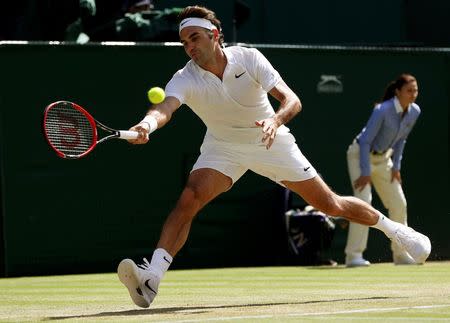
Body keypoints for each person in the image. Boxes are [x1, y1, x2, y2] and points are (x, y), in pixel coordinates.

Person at [117, 6, 431, 308]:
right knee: (191, 196)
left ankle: (396, 231)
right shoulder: (184, 77)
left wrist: (275, 120)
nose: (189, 47)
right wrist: (147, 124)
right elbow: (165, 107)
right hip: (223, 146)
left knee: (331, 204)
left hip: (271, 141)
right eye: (185, 42)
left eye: (195, 38)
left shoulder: (249, 58)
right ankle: (152, 278)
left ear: (214, 34)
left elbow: (292, 100)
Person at [344, 74, 422, 267]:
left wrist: (396, 167)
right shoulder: (382, 110)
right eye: (409, 91)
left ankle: (401, 254)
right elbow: (365, 141)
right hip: (360, 155)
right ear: (398, 92)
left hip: (384, 159)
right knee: (363, 202)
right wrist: (365, 171)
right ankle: (353, 256)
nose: (413, 94)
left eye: (416, 90)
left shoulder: (414, 111)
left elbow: (401, 139)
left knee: (399, 203)